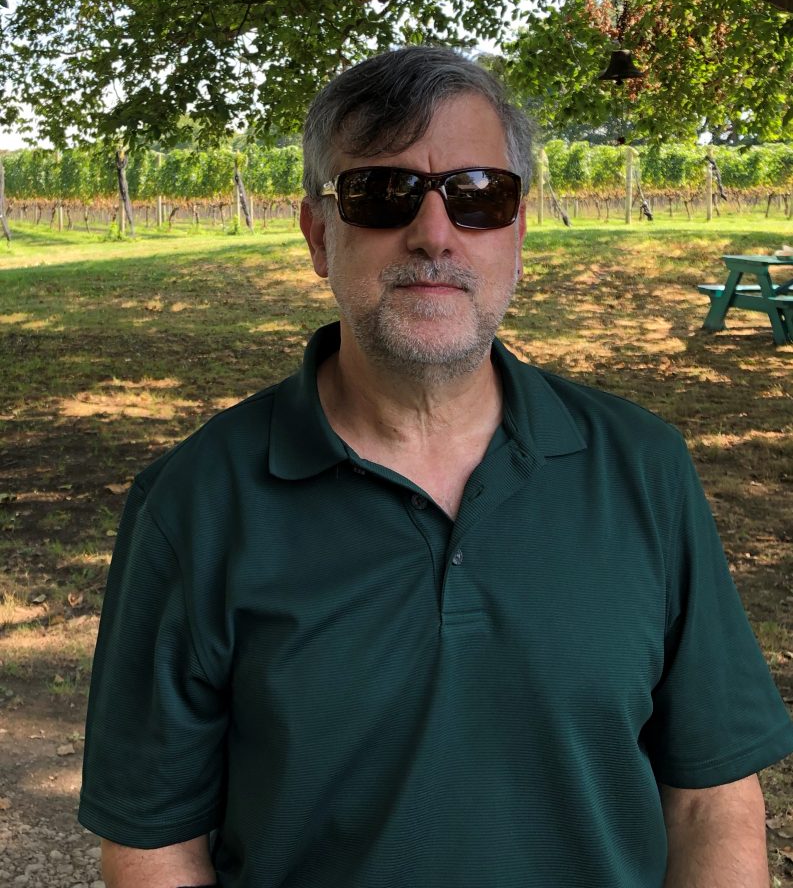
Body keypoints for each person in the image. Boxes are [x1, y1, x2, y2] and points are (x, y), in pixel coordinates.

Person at [79, 46, 793, 888]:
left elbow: (710, 800)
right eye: (381, 193)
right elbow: (155, 845)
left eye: (478, 194)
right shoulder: (194, 504)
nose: (433, 233)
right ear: (319, 235)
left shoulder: (642, 469)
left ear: (517, 232)